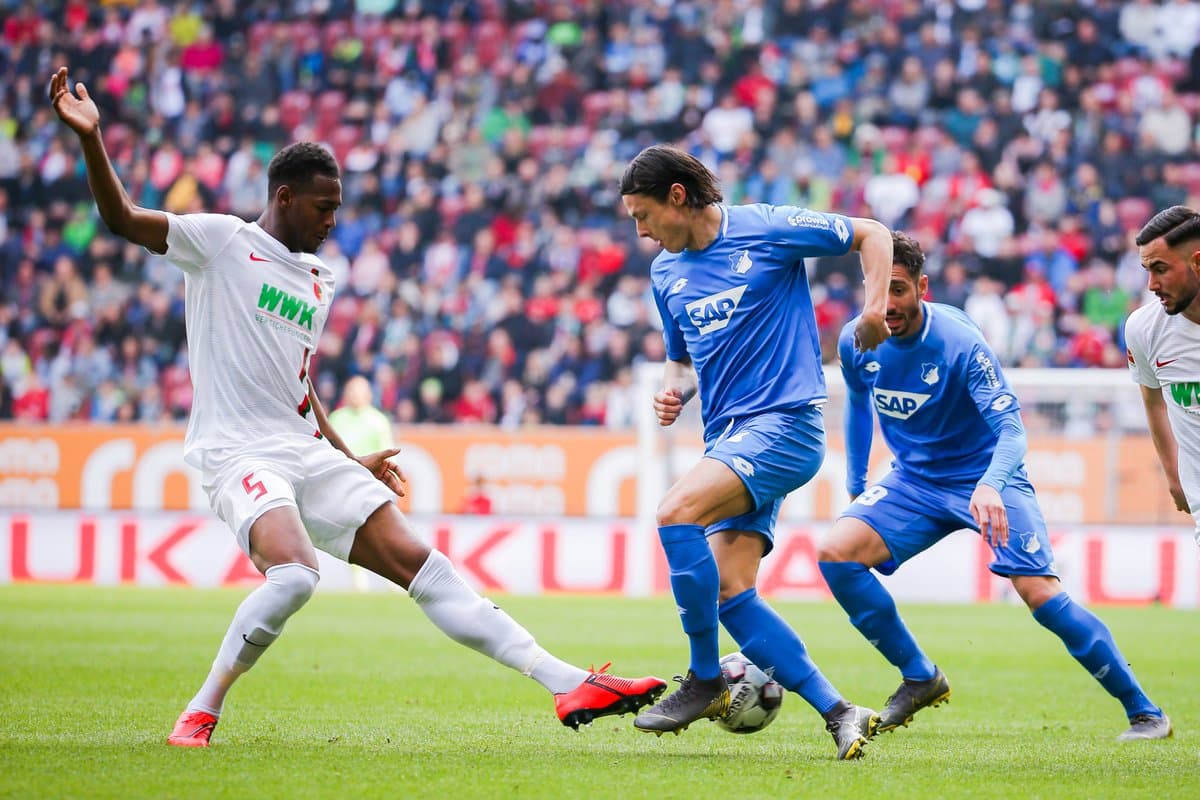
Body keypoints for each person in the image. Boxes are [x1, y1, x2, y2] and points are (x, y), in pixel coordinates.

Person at [49, 65, 666, 748]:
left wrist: (350, 459)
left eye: (337, 206)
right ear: (283, 197)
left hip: (304, 448)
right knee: (295, 578)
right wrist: (92, 139)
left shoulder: (319, 277)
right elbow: (123, 218)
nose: (333, 220)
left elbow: (300, 382)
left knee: (425, 566)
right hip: (237, 451)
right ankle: (201, 710)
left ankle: (564, 681)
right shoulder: (222, 242)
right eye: (323, 207)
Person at [819, 231, 1172, 741]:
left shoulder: (960, 343)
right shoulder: (859, 337)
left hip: (985, 474)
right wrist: (855, 482)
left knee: (1039, 595)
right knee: (835, 553)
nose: (886, 305)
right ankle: (920, 677)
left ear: (922, 287)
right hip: (916, 480)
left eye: (897, 290)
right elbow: (855, 400)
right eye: (876, 289)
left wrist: (989, 484)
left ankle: (1145, 712)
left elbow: (1012, 430)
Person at [618, 144, 893, 760]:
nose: (640, 232)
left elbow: (872, 234)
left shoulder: (765, 229)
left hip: (786, 425)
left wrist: (873, 312)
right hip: (730, 437)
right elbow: (680, 356)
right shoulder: (667, 272)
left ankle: (706, 676)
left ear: (678, 198)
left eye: (643, 215)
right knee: (729, 592)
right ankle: (840, 711)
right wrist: (674, 390)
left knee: (673, 513)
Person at [1124, 205, 1200, 547]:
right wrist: (1173, 473)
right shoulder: (1144, 329)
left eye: (1160, 269)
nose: (1151, 284)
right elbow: (1153, 401)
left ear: (1197, 262)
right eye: (1146, 270)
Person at [327, 375, 394, 457]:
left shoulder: (379, 420)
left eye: (358, 390)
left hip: (368, 469)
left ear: (368, 394)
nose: (354, 394)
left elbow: (387, 452)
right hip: (341, 466)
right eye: (351, 390)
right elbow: (327, 447)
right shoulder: (335, 417)